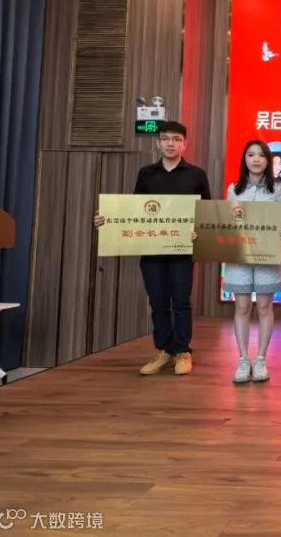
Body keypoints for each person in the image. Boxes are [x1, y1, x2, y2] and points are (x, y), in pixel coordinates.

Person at [94, 121, 211, 375]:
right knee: (158, 302)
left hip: (182, 250)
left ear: (185, 144)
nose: (171, 143)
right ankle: (165, 350)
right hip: (152, 249)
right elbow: (134, 210)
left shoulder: (196, 175)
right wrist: (108, 220)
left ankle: (183, 351)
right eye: (165, 138)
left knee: (181, 302)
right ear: (158, 143)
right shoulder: (146, 174)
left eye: (176, 139)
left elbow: (207, 212)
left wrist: (199, 231)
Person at [199, 140, 281, 384]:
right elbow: (229, 222)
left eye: (261, 155)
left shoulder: (278, 190)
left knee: (264, 307)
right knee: (241, 307)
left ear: (268, 160)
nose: (256, 159)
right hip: (239, 255)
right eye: (251, 155)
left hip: (267, 255)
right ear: (244, 159)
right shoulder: (234, 189)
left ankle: (261, 359)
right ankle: (243, 358)